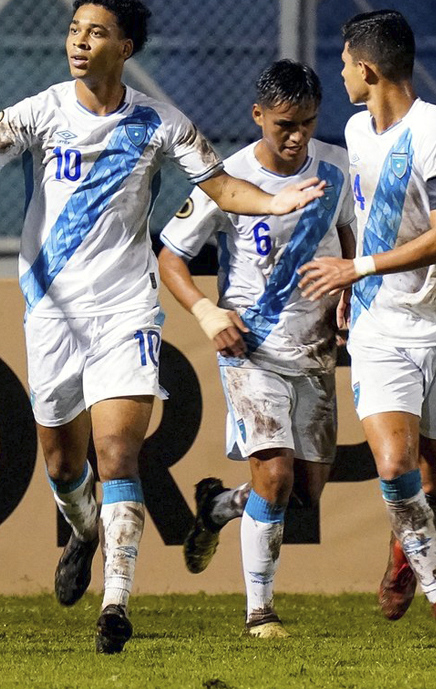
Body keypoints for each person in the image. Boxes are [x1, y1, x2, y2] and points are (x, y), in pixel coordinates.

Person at [0, 0, 325, 653]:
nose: (80, 40)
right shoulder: (40, 111)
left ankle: (116, 602)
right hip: (51, 313)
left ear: (126, 47)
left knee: (118, 451)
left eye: (97, 31)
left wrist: (277, 204)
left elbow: (221, 186)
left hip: (126, 309)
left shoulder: (160, 123)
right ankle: (83, 530)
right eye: (76, 28)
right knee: (62, 461)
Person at [298, 9, 436, 658]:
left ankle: (404, 554)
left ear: (369, 69)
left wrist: (358, 266)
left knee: (432, 485)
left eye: (348, 62)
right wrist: (356, 284)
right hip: (383, 329)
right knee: (395, 466)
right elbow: (368, 215)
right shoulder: (356, 129)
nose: (343, 72)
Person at [158, 59, 355, 638]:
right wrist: (205, 310)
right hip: (251, 348)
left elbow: (348, 241)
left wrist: (349, 291)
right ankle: (259, 613)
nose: (297, 137)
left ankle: (219, 507)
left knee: (305, 491)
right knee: (274, 474)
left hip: (315, 349)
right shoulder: (228, 179)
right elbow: (171, 258)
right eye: (284, 125)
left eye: (309, 124)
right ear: (259, 116)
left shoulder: (337, 170)